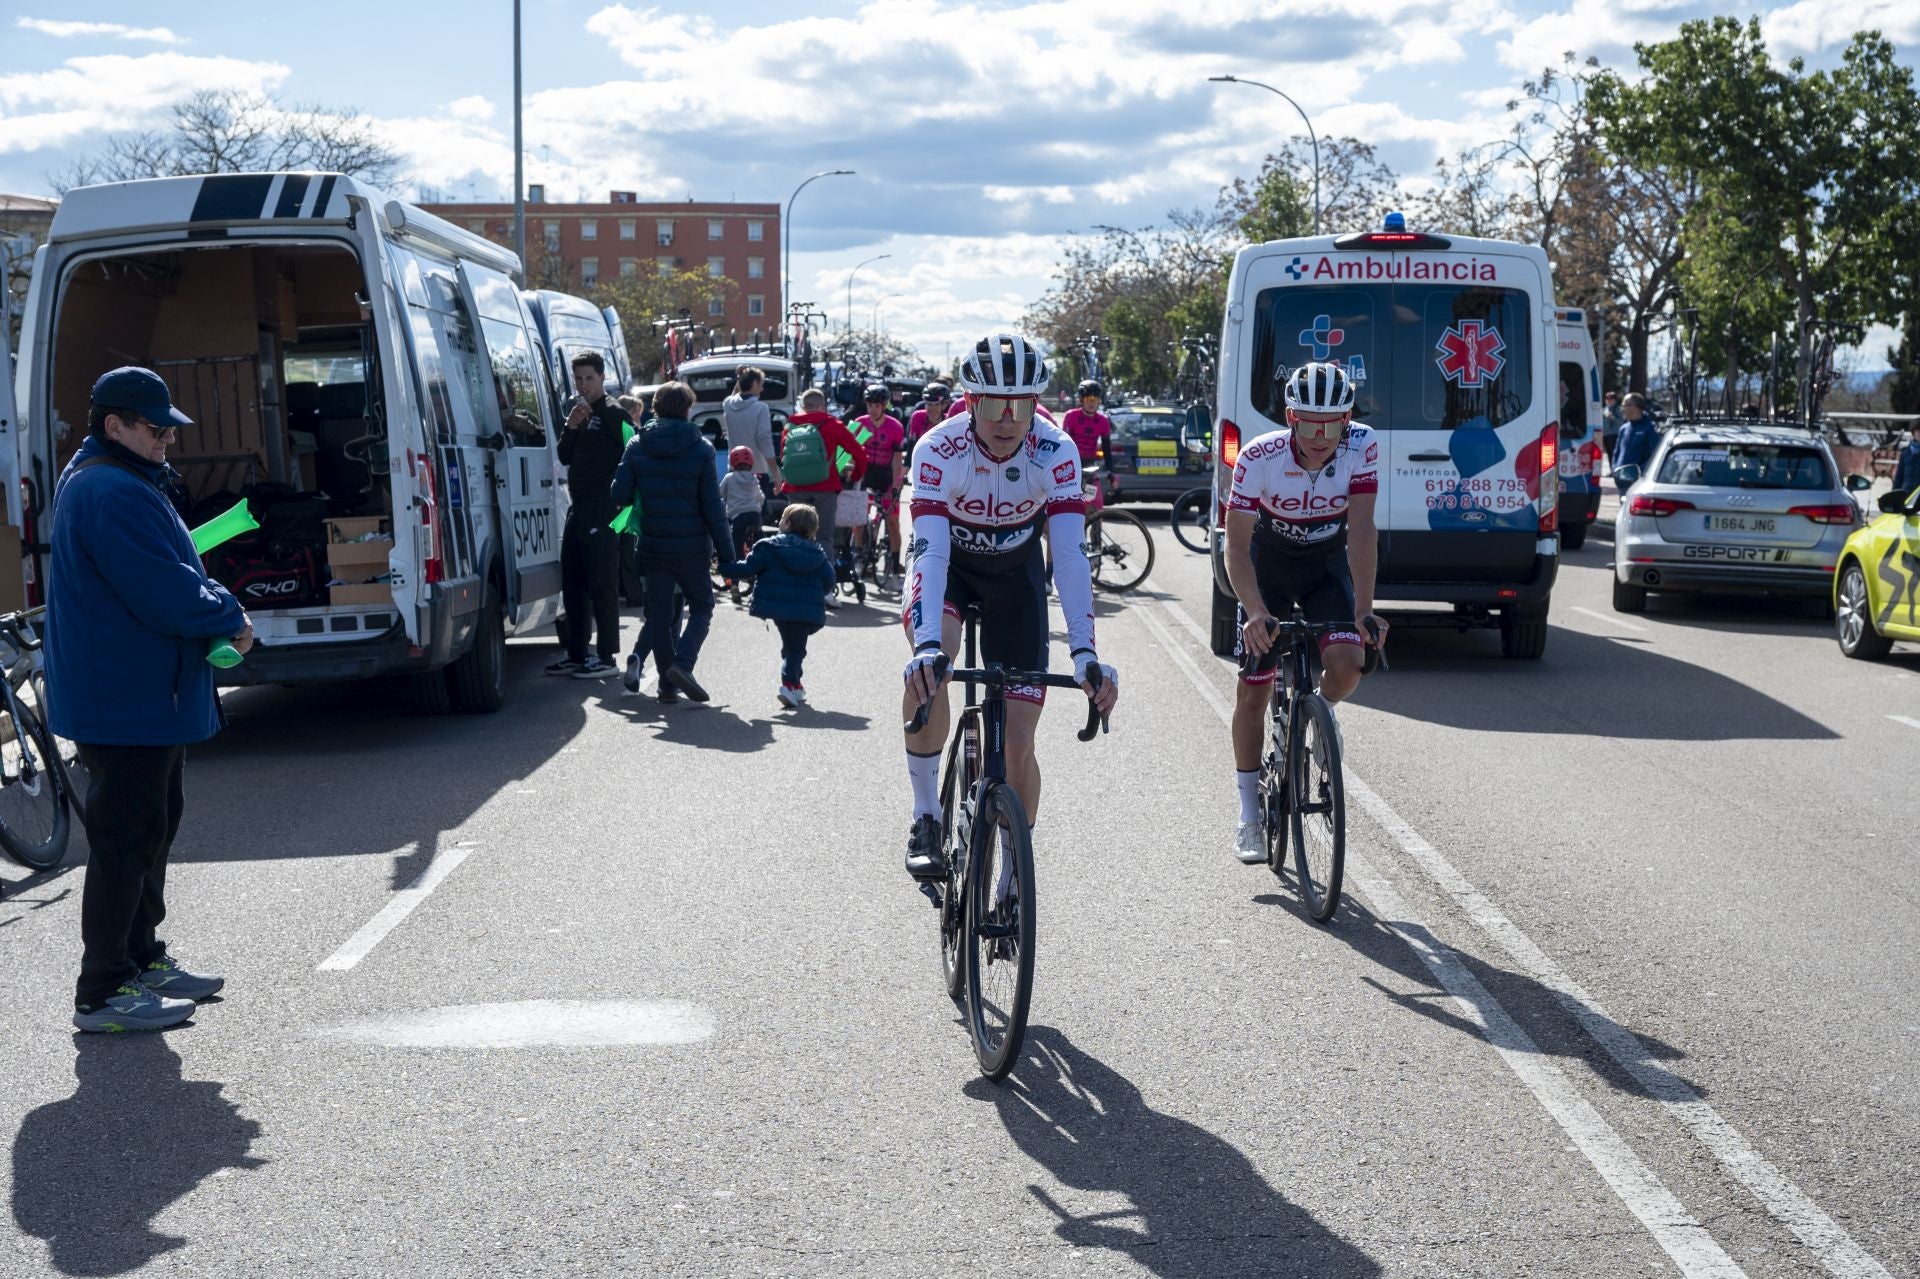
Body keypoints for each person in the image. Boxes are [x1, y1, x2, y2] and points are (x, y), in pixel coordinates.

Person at [47, 367, 254, 1033]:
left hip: (135, 692)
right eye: (156, 427)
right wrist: (229, 613)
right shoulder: (112, 490)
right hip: (127, 696)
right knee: (127, 838)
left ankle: (140, 958)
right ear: (116, 426)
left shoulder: (111, 478)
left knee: (148, 828)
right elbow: (163, 590)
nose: (169, 437)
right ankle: (103, 990)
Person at [900, 333, 1119, 880]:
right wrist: (927, 644)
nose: (1005, 418)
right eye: (992, 403)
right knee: (932, 671)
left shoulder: (1056, 449)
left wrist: (1086, 651)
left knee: (1019, 742)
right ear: (969, 402)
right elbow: (929, 551)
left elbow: (1068, 555)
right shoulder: (938, 449)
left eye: (1019, 404)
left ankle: (1012, 869)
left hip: (1016, 579)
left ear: (1034, 405)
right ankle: (926, 813)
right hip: (951, 572)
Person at [1224, 362, 1386, 864]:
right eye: (1309, 421)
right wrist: (1253, 610)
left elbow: (1361, 529)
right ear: (1290, 416)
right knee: (1254, 686)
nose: (1320, 435)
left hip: (1325, 564)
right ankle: (1249, 814)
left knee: (1348, 664)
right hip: (1267, 564)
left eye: (1332, 422)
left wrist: (1364, 609)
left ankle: (1322, 712)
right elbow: (1235, 543)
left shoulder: (1363, 445)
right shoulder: (1258, 456)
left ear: (1348, 419)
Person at [611, 381, 733, 702]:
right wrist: (728, 555)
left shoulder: (637, 445)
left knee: (660, 617)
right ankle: (683, 663)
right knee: (703, 606)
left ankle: (667, 687)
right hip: (693, 547)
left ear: (656, 408)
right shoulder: (702, 448)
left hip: (653, 546)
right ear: (686, 409)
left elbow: (619, 494)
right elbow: (713, 507)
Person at [549, 353, 632, 680]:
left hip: (603, 506)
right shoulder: (578, 412)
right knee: (572, 579)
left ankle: (607, 656)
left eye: (589, 378)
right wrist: (570, 428)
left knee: (601, 582)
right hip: (578, 506)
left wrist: (621, 503)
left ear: (601, 377)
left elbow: (635, 449)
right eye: (579, 379)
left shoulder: (614, 412)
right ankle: (577, 653)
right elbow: (564, 455)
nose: (583, 385)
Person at [732, 503, 837, 708]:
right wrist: (816, 594)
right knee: (797, 647)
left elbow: (748, 568)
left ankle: (794, 684)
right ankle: (790, 683)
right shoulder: (817, 553)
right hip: (805, 610)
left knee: (791, 646)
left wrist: (726, 567)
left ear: (787, 523)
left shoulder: (769, 546)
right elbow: (829, 580)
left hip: (778, 608)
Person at [780, 388, 868, 602]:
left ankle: (794, 585)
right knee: (824, 537)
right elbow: (859, 455)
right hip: (825, 489)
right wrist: (853, 476)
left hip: (795, 488)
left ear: (803, 405)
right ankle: (826, 590)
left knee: (793, 537)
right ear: (822, 405)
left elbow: (784, 456)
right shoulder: (832, 425)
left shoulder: (789, 426)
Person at [851, 383, 907, 577]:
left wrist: (895, 484)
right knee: (858, 519)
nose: (872, 409)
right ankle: (858, 556)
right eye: (869, 405)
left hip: (885, 475)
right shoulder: (859, 423)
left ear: (884, 406)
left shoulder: (895, 426)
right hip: (865, 475)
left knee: (892, 522)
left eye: (877, 405)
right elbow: (849, 454)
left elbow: (897, 459)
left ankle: (893, 565)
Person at [721, 366, 784, 498]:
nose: (762, 389)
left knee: (735, 510)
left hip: (734, 468)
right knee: (757, 512)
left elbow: (735, 395)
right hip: (757, 470)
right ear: (754, 383)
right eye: (760, 384)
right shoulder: (760, 408)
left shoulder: (727, 404)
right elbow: (764, 440)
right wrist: (775, 472)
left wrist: (741, 377)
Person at [721, 445, 764, 603]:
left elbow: (720, 494)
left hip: (738, 518)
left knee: (736, 552)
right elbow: (761, 497)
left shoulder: (729, 478)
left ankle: (734, 586)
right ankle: (762, 580)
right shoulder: (753, 478)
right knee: (761, 547)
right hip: (754, 516)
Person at [1060, 379, 1113, 469]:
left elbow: (1106, 448)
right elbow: (1064, 444)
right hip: (1071, 462)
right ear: (1081, 400)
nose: (1091, 403)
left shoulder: (1103, 420)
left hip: (1091, 464)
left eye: (1094, 399)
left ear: (1099, 400)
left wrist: (1110, 471)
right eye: (1088, 399)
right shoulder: (1071, 416)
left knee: (1096, 484)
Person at [1611, 392, 1659, 488]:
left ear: (1636, 407)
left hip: (1639, 483)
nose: (1622, 409)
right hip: (1621, 481)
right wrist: (1615, 469)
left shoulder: (1650, 428)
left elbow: (1654, 455)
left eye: (1624, 406)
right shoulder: (1623, 428)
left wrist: (1639, 473)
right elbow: (1617, 452)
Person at [907, 381, 954, 449]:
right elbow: (911, 446)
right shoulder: (917, 417)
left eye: (937, 404)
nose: (932, 408)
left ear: (945, 405)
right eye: (929, 404)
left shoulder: (950, 422)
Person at [1890, 422, 1920, 496]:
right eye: (1918, 431)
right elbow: (1898, 478)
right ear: (1913, 433)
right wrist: (1893, 496)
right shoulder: (1905, 452)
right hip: (1906, 493)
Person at [1601, 390, 1623, 458]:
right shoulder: (1604, 409)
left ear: (1615, 400)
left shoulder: (1618, 409)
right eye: (1607, 399)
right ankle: (1612, 468)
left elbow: (1622, 422)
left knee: (1614, 454)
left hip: (1614, 435)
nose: (1609, 400)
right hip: (1605, 435)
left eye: (1611, 399)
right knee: (1609, 455)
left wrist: (1613, 418)